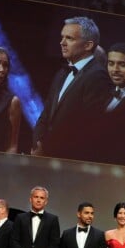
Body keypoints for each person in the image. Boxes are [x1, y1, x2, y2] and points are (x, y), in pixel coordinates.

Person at [31, 16, 112, 163]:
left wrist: (49, 149)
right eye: (62, 37)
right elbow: (46, 114)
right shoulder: (62, 73)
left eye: (69, 38)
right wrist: (37, 144)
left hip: (68, 160)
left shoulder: (98, 76)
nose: (62, 43)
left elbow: (87, 126)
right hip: (44, 155)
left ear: (88, 45)